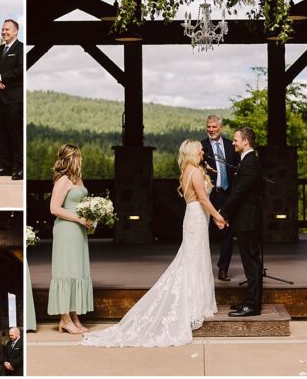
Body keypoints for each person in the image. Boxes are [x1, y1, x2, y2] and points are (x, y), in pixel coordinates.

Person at [82, 140, 223, 347]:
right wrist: (218, 216)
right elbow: (203, 199)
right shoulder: (195, 172)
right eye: (200, 149)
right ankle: (194, 306)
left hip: (192, 217)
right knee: (194, 260)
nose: (203, 151)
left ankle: (196, 303)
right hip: (197, 217)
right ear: (192, 152)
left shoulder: (187, 171)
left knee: (192, 258)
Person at [47, 144, 94, 334]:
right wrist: (77, 218)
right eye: (79, 156)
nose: (81, 159)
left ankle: (74, 315)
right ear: (73, 158)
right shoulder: (63, 180)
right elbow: (54, 208)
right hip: (66, 229)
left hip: (79, 230)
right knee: (66, 271)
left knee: (77, 271)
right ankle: (64, 318)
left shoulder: (78, 179)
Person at [221, 127, 265, 317]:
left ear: (246, 141)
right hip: (244, 219)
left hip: (249, 220)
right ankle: (249, 301)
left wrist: (223, 213)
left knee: (252, 263)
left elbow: (239, 193)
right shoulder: (246, 161)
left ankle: (253, 306)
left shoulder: (250, 163)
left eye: (235, 140)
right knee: (249, 262)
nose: (233, 143)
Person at [201, 114, 239, 281]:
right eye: (208, 127)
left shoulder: (231, 146)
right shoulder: (201, 146)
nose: (211, 130)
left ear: (220, 128)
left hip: (227, 194)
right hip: (209, 195)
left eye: (214, 127)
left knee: (228, 233)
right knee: (204, 232)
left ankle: (223, 268)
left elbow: (237, 169)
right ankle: (202, 269)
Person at [0, 19, 24, 180]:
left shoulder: (21, 48)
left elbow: (21, 70)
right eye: (2, 29)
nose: (4, 32)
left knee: (16, 134)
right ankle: (5, 166)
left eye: (7, 29)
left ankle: (21, 167)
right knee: (1, 134)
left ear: (16, 31)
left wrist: (0, 77)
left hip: (13, 98)